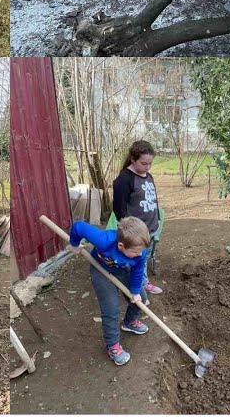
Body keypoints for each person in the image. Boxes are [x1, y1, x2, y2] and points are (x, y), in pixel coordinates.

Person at [69, 217, 152, 366]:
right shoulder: (104, 240)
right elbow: (78, 227)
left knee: (141, 298)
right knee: (111, 308)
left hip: (122, 270)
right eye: (135, 252)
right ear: (121, 245)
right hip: (100, 271)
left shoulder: (141, 252)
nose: (140, 254)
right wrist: (74, 244)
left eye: (141, 251)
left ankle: (130, 322)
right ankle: (113, 346)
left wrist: (134, 291)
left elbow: (137, 272)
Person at [113, 141, 163, 295]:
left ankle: (142, 282)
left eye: (150, 163)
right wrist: (129, 231)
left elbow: (153, 198)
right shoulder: (124, 179)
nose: (147, 167)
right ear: (133, 160)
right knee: (136, 258)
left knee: (144, 257)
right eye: (143, 163)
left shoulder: (148, 176)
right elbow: (119, 208)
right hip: (136, 232)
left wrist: (158, 217)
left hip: (150, 227)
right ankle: (137, 286)